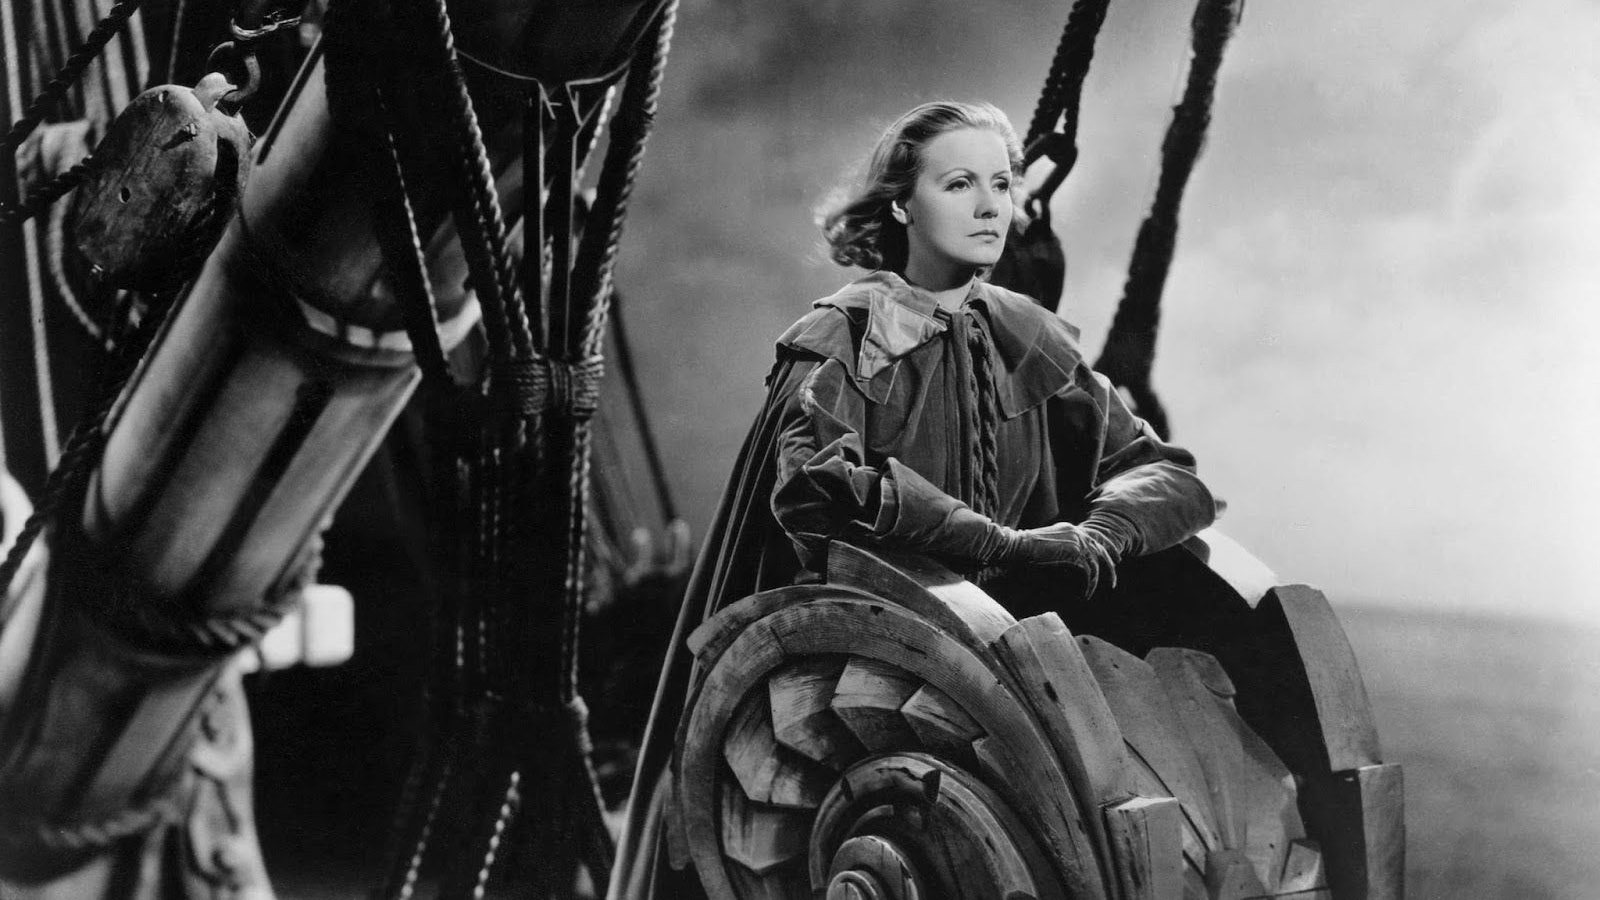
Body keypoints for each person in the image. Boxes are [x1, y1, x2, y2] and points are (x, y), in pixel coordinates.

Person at [608, 100, 1219, 900]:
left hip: (1022, 691)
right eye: (958, 183)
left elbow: (1167, 473)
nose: (990, 206)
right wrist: (998, 543)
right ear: (900, 204)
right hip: (858, 697)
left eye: (1000, 184)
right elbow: (815, 488)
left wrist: (1099, 534)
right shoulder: (843, 337)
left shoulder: (1028, 336)